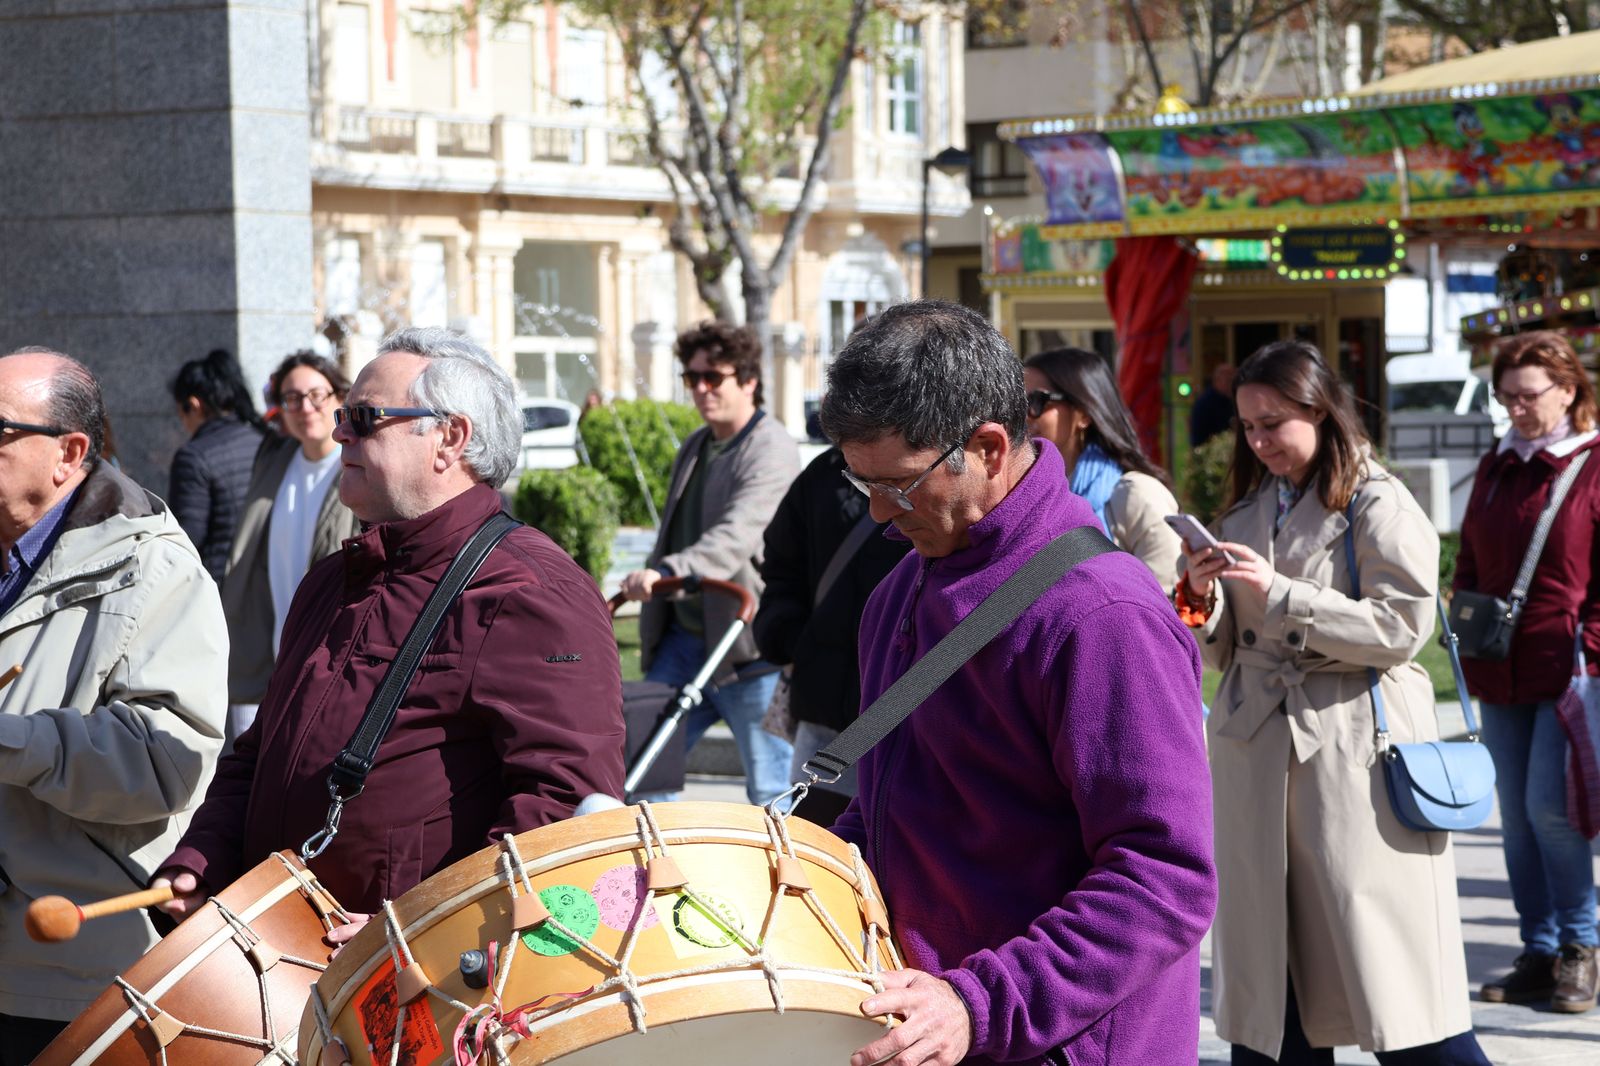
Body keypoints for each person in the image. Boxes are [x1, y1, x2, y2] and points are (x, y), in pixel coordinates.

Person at [819, 301, 1216, 1066]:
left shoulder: (1104, 613)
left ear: (990, 447)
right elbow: (893, 811)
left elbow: (1166, 876)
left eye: (898, 485)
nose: (877, 512)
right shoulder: (898, 593)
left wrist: (977, 1004)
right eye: (860, 482)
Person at [155, 326, 625, 923]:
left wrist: (418, 936)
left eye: (364, 415)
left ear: (449, 439)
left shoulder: (529, 591)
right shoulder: (333, 579)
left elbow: (562, 810)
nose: (338, 429)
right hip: (282, 952)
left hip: (416, 988)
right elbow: (262, 750)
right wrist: (201, 860)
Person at [1178, 340, 1488, 1064]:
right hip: (1256, 754)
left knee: (1395, 987)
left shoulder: (1378, 500)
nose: (1259, 440)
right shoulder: (1248, 508)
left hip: (1352, 751)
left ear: (1321, 411)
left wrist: (1283, 594)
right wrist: (1199, 599)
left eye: (1274, 422)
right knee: (1268, 995)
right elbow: (1224, 646)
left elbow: (1403, 627)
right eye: (1249, 425)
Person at [0, 348, 228, 1063]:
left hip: (66, 973)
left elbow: (164, 763)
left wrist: (13, 742)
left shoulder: (155, 568)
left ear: (68, 453)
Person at [1455, 329, 1600, 1012]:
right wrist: (1461, 610)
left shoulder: (1591, 464)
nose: (1515, 408)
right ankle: (1538, 950)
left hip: (1569, 668)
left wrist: (1589, 648)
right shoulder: (1499, 462)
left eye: (1528, 395)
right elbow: (1470, 557)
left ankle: (1581, 946)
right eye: (1504, 396)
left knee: (1550, 811)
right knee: (1513, 819)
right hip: (1499, 666)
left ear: (1569, 391)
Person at [619, 321, 801, 806]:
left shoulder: (772, 449)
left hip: (746, 652)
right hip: (682, 642)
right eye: (691, 377)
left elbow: (738, 535)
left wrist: (669, 573)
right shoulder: (696, 445)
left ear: (748, 381)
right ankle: (654, 878)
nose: (700, 389)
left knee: (772, 794)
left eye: (713, 377)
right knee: (640, 775)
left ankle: (786, 882)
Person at [752, 447, 909, 826]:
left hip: (905, 721)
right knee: (818, 856)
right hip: (826, 717)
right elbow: (780, 562)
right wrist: (795, 640)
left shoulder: (927, 465)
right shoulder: (823, 473)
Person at [219, 352, 360, 747]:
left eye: (317, 394)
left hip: (330, 652)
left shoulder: (354, 467)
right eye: (292, 398)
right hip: (266, 653)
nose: (305, 407)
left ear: (339, 398)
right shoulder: (274, 460)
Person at [1022, 346, 1185, 593]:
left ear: (1084, 414)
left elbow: (1170, 602)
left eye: (1035, 401)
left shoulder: (1136, 495)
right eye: (1016, 402)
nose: (1023, 416)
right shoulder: (1025, 496)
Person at [169, 348, 269, 581]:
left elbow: (186, 539)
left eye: (181, 414)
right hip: (265, 584)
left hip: (220, 587)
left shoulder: (194, 457)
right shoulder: (264, 440)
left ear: (193, 405)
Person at [1191, 361, 1237, 448]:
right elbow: (1199, 434)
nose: (1232, 384)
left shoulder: (1232, 399)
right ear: (1217, 380)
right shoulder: (1205, 402)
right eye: (1228, 380)